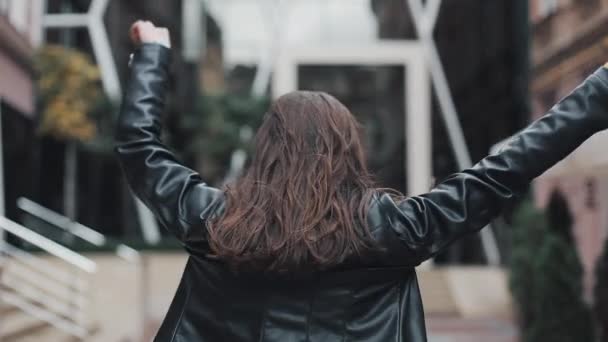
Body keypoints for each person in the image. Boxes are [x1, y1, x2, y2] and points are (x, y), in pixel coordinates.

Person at [115, 21, 608, 342]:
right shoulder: (391, 229)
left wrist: (154, 56)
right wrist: (599, 92)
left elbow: (139, 149)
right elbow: (506, 170)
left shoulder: (214, 221)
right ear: (348, 151)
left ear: (265, 151)